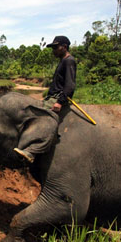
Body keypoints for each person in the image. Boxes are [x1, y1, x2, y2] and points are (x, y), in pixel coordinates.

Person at [14, 35, 76, 163]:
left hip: (57, 98)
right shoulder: (63, 61)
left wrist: (60, 102)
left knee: (46, 121)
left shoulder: (69, 61)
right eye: (53, 48)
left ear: (64, 47)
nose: (54, 50)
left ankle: (33, 151)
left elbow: (70, 85)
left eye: (56, 47)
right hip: (51, 97)